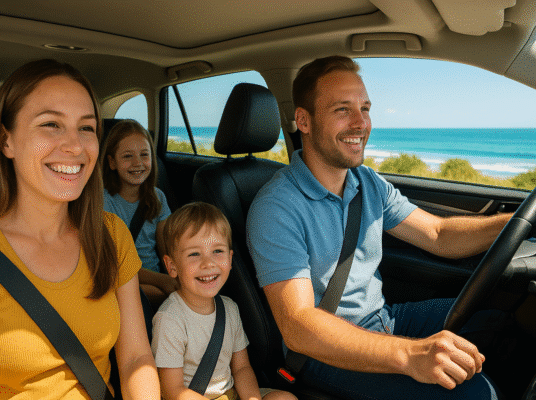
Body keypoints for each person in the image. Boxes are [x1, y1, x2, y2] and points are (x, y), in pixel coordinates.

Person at [246, 55, 513, 400]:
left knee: (502, 321)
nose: (361, 123)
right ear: (304, 120)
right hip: (322, 352)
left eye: (365, 108)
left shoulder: (366, 181)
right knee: (473, 393)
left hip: (384, 319)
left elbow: (439, 235)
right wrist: (410, 355)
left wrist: (513, 222)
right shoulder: (277, 207)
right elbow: (299, 326)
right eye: (343, 109)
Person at [0, 59, 160, 399]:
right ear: (6, 141)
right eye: (51, 124)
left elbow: (135, 359)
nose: (74, 146)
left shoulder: (110, 235)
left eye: (86, 128)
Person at [152, 202, 297, 400]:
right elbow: (172, 390)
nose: (208, 263)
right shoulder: (170, 318)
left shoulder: (229, 308)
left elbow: (241, 368)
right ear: (172, 266)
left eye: (217, 251)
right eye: (194, 254)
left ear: (230, 259)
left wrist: (252, 398)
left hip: (231, 394)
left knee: (285, 398)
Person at [102, 119, 177, 308]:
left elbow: (166, 250)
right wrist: (164, 282)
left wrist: (175, 276)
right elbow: (115, 265)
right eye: (127, 156)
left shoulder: (157, 197)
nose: (137, 163)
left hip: (155, 281)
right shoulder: (103, 201)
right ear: (112, 162)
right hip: (119, 281)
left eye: (144, 154)